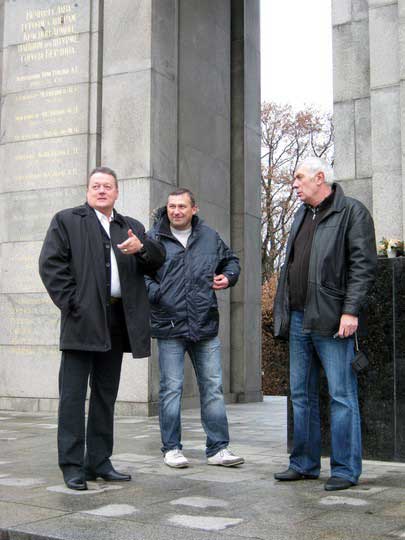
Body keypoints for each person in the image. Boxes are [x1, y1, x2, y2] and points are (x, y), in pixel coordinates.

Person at [39, 166, 165, 490]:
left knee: (105, 395)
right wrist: (73, 304)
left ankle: (98, 461)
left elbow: (157, 260)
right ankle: (72, 465)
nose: (101, 190)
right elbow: (51, 265)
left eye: (107, 186)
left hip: (118, 321)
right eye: (96, 185)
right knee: (72, 396)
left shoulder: (130, 227)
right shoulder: (67, 220)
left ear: (116, 192)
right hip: (82, 321)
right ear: (87, 190)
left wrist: (141, 249)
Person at [273, 157, 377, 491]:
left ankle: (345, 470)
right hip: (299, 316)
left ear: (320, 178)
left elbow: (363, 266)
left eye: (299, 177)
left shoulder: (352, 212)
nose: (294, 184)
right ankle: (303, 464)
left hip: (333, 319)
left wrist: (351, 311)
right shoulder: (301, 214)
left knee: (341, 395)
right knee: (300, 394)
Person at [145, 188, 244, 468]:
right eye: (172, 206)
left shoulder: (209, 237)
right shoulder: (153, 239)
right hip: (169, 325)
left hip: (204, 324)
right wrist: (158, 294)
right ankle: (172, 448)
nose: (176, 211)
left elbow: (231, 261)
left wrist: (229, 276)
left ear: (194, 209)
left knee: (213, 387)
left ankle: (218, 449)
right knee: (171, 389)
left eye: (182, 206)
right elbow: (140, 274)